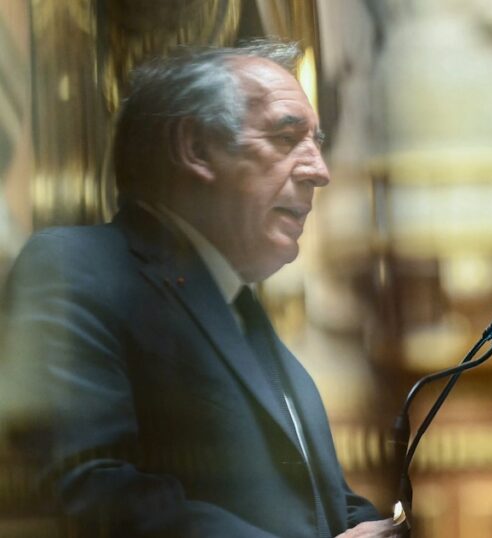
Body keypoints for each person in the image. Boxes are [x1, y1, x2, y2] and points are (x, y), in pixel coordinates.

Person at [1, 41, 397, 537]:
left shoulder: (238, 305)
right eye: (286, 136)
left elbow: (320, 504)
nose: (320, 170)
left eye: (317, 142)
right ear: (194, 148)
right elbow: (88, 489)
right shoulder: (76, 266)